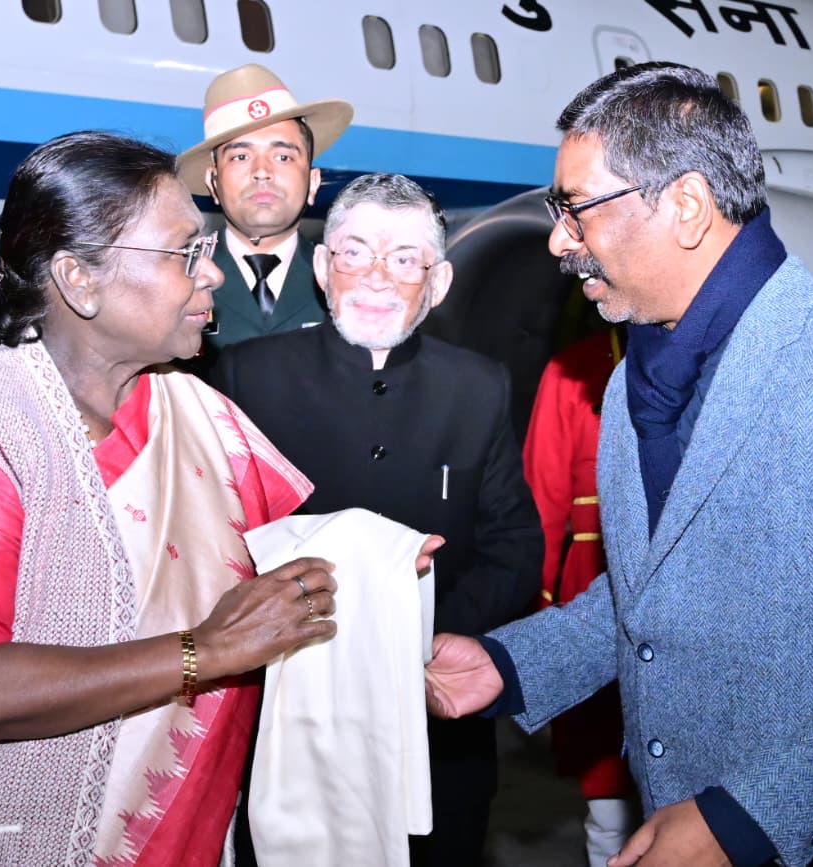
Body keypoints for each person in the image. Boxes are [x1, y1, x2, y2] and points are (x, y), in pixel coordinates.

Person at [424, 63, 813, 867]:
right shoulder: (634, 378)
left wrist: (747, 819)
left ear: (688, 207)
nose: (558, 240)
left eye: (576, 209)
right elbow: (652, 592)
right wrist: (510, 664)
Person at [0, 131, 341, 866]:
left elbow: (285, 558)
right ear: (79, 279)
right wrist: (204, 652)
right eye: (184, 253)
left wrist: (385, 571)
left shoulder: (195, 413)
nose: (212, 274)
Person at [213, 173, 543, 867]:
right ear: (322, 267)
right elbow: (213, 540)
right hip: (287, 710)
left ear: (438, 282)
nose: (376, 277)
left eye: (404, 259)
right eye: (355, 253)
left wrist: (414, 636)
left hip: (431, 713)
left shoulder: (479, 386)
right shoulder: (244, 377)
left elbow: (513, 544)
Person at [523, 324, 641, 866]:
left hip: (694, 589)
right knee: (607, 793)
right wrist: (539, 626)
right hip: (593, 587)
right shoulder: (571, 370)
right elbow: (542, 505)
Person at [177, 63, 353, 365]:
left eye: (283, 156)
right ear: (213, 183)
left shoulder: (349, 281)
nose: (261, 171)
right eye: (240, 156)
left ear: (313, 183)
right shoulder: (177, 282)